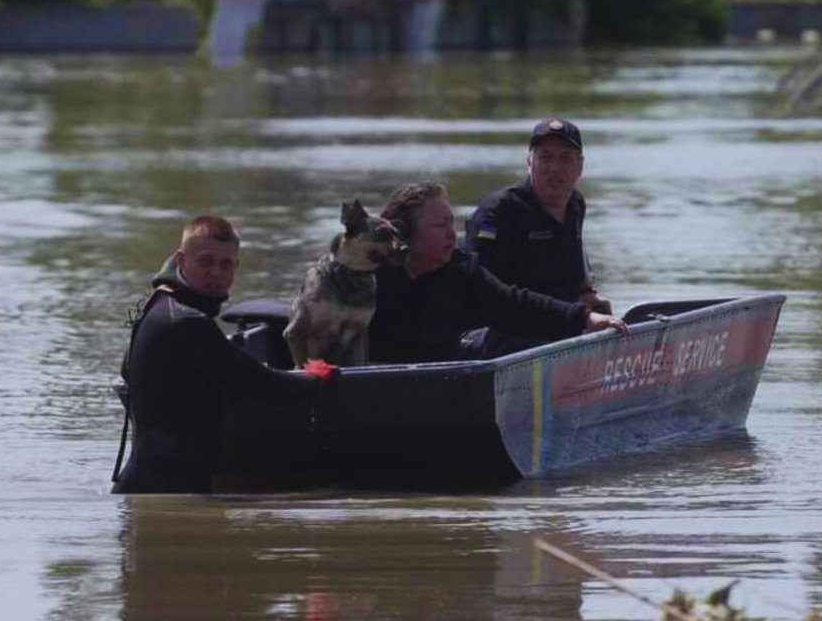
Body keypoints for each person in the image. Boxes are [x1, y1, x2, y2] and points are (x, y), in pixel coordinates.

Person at [111, 215, 337, 494]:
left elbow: (127, 370)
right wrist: (314, 377)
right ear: (181, 261)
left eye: (226, 264)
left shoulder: (157, 307)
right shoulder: (188, 323)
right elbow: (265, 384)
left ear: (236, 267)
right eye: (205, 261)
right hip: (169, 491)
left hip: (150, 487)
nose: (216, 273)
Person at [367, 182, 627, 364]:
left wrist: (585, 319)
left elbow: (516, 305)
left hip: (438, 384)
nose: (452, 234)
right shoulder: (367, 273)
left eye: (452, 223)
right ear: (404, 234)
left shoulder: (462, 270)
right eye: (440, 225)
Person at [463, 118, 611, 356]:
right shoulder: (498, 213)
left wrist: (586, 294)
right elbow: (487, 299)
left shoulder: (575, 204)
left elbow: (572, 263)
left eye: (565, 158)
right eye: (545, 157)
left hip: (561, 322)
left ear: (580, 167)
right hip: (499, 333)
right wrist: (576, 318)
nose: (555, 168)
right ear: (529, 162)